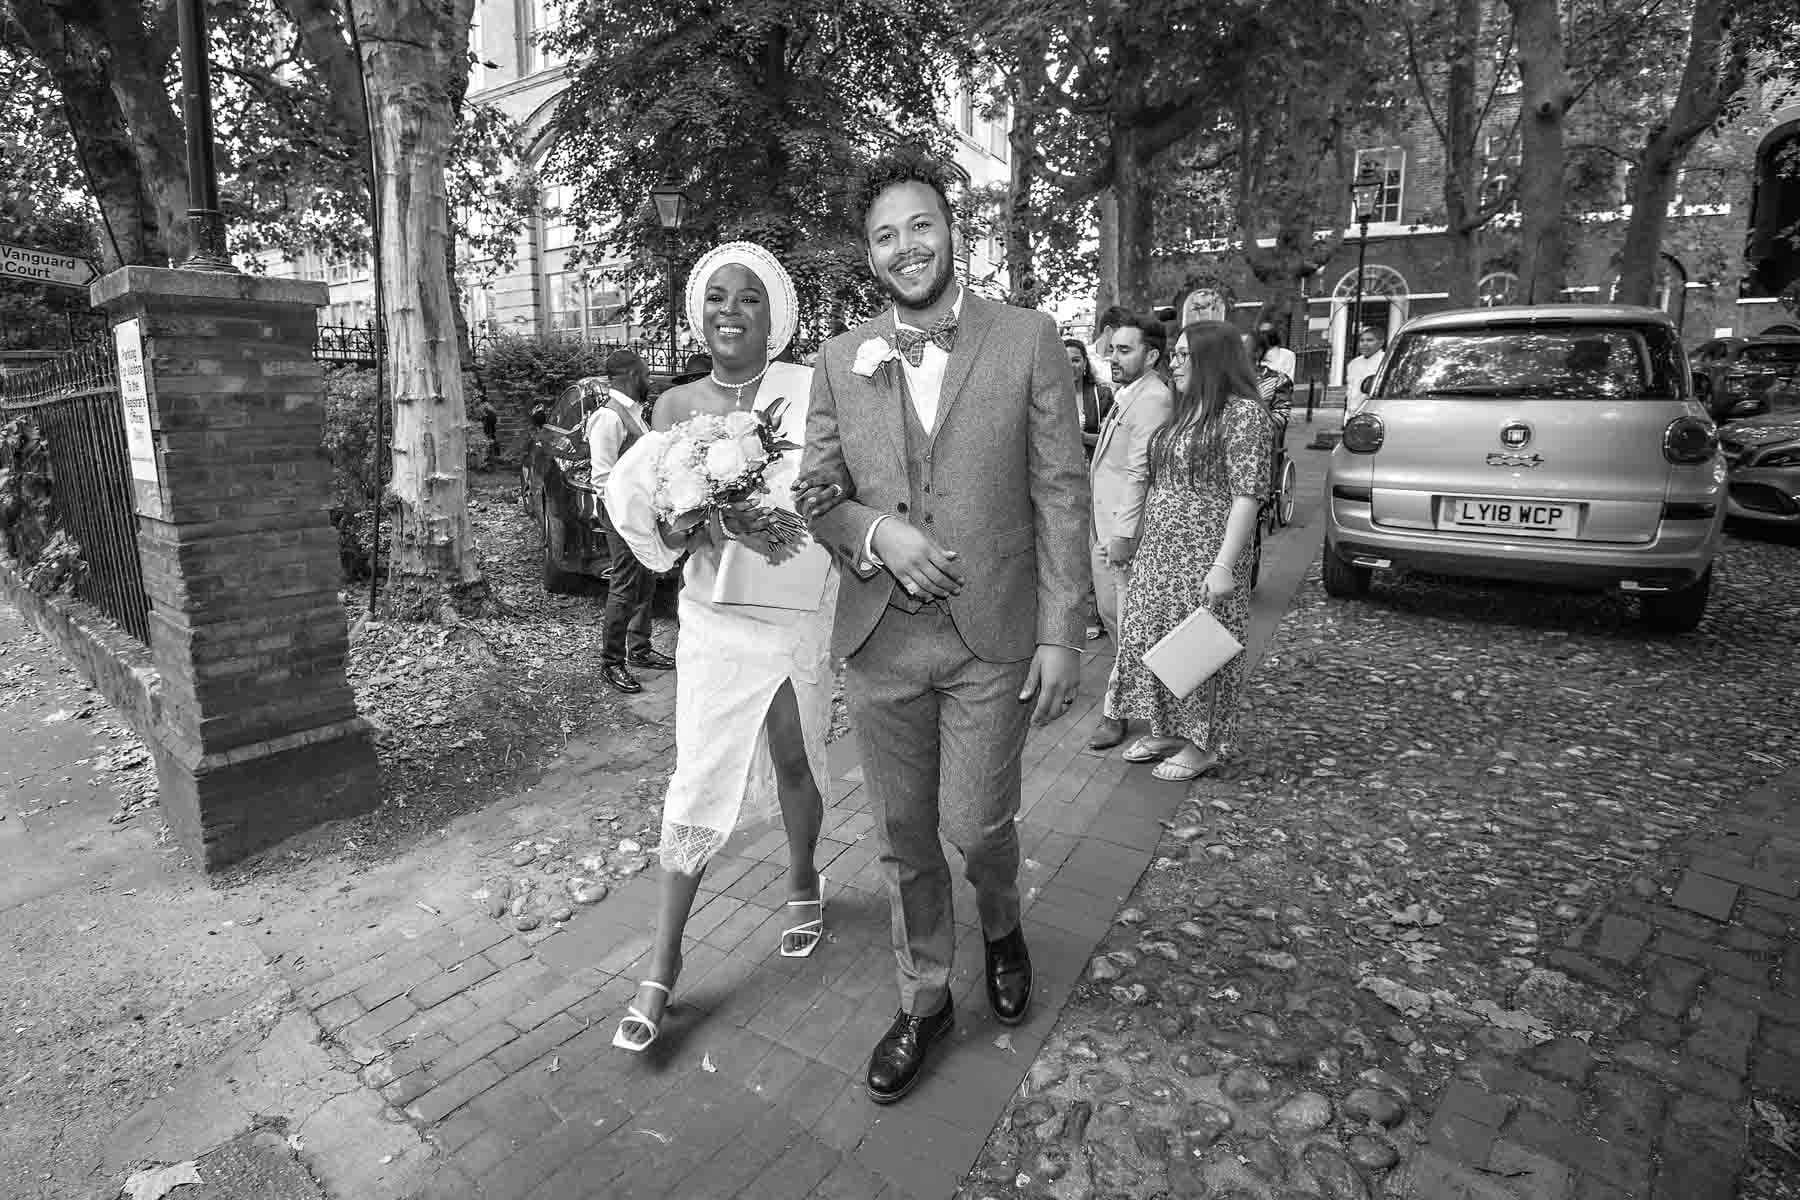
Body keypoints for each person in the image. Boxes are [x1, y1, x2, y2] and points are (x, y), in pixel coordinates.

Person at [798, 149, 1090, 1105]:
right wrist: (875, 531)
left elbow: (1059, 489)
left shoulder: (1029, 337)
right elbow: (815, 493)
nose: (904, 247)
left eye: (919, 225)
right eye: (884, 236)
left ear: (951, 227)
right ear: (868, 255)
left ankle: (1000, 921)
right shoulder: (840, 361)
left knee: (975, 824)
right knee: (901, 834)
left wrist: (1062, 632)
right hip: (881, 642)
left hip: (990, 635)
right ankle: (923, 998)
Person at [603, 242, 843, 1053]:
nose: (729, 310)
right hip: (712, 616)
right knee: (698, 775)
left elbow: (841, 485)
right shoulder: (672, 408)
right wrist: (702, 516)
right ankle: (663, 963)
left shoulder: (811, 391)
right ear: (696, 313)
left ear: (774, 316)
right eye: (714, 297)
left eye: (747, 298)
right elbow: (659, 524)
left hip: (794, 607)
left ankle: (805, 879)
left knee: (795, 758)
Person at [1108, 321, 1270, 782]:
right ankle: (1166, 727)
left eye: (1183, 355)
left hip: (1205, 554)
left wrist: (1223, 565)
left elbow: (1247, 495)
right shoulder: (1187, 411)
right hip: (1162, 551)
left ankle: (1203, 745)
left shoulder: (1243, 415)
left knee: (1202, 649)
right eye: (1174, 354)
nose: (1173, 362)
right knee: (1157, 643)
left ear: (1211, 360)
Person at [1087, 312, 1175, 751]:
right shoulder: (1128, 393)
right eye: (1112, 348)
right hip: (1103, 524)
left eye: (1125, 350)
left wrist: (1122, 535)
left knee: (1126, 622)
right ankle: (1152, 703)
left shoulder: (1153, 398)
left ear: (1151, 354)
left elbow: (1141, 471)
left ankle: (1117, 712)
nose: (1112, 357)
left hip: (1123, 533)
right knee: (1114, 619)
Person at [585, 349, 672, 693]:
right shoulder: (609, 418)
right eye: (646, 374)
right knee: (624, 585)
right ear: (631, 376)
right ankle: (611, 662)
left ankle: (640, 649)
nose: (649, 380)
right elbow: (603, 477)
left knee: (646, 580)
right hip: (621, 516)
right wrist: (625, 518)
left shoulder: (635, 413)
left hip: (642, 513)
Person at [1064, 338, 1114, 462]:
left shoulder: (1102, 395)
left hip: (1092, 468)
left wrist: (1085, 438)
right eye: (1064, 361)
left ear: (1085, 363)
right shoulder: (1048, 397)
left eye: (1075, 360)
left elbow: (1113, 439)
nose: (1070, 366)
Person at [1344, 325, 1386, 410]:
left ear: (1381, 343)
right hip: (1352, 412)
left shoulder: (1385, 361)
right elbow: (1350, 390)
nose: (1364, 343)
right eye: (1362, 340)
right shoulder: (1353, 364)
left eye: (1370, 340)